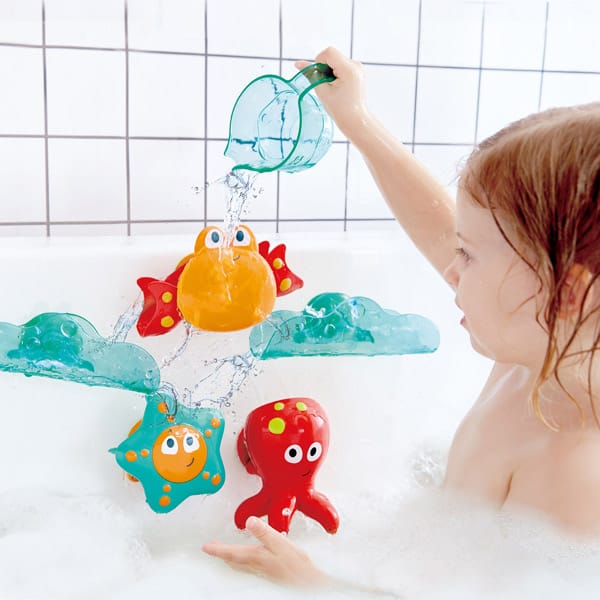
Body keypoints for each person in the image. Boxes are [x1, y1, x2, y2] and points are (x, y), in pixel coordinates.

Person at [202, 47, 600, 590]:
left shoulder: (576, 470)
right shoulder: (538, 346)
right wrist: (356, 120)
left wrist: (318, 586)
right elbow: (438, 228)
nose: (450, 269)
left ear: (565, 292)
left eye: (469, 255)